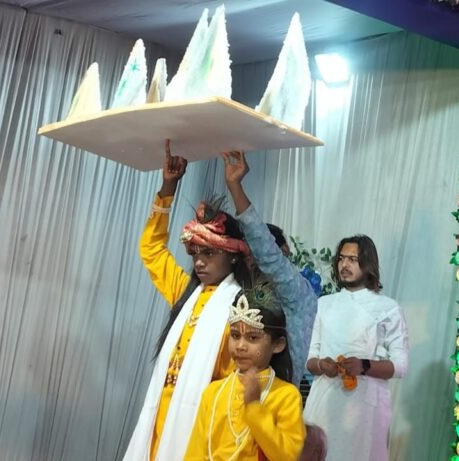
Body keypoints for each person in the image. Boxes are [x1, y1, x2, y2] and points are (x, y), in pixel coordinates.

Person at [124, 141, 254, 461]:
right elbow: (151, 250)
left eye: (209, 253)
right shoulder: (185, 290)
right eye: (195, 252)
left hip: (202, 430)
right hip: (160, 421)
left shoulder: (242, 307)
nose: (199, 261)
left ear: (233, 256)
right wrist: (167, 188)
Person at [302, 235, 409, 461]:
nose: (344, 265)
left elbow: (401, 366)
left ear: (368, 263)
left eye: (352, 259)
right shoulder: (324, 304)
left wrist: (364, 366)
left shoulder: (388, 308)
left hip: (366, 406)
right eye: (341, 259)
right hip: (324, 402)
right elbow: (310, 359)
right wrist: (322, 365)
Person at [221, 150, 318, 387]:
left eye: (255, 254)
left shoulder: (296, 293)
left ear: (283, 251)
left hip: (276, 397)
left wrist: (235, 187)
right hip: (233, 391)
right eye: (246, 254)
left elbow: (268, 255)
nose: (251, 260)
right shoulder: (241, 289)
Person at [184, 282, 306, 460]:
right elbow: (194, 453)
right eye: (235, 335)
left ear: (278, 345)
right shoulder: (213, 393)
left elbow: (288, 456)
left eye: (252, 337)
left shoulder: (286, 396)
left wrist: (254, 408)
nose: (240, 346)